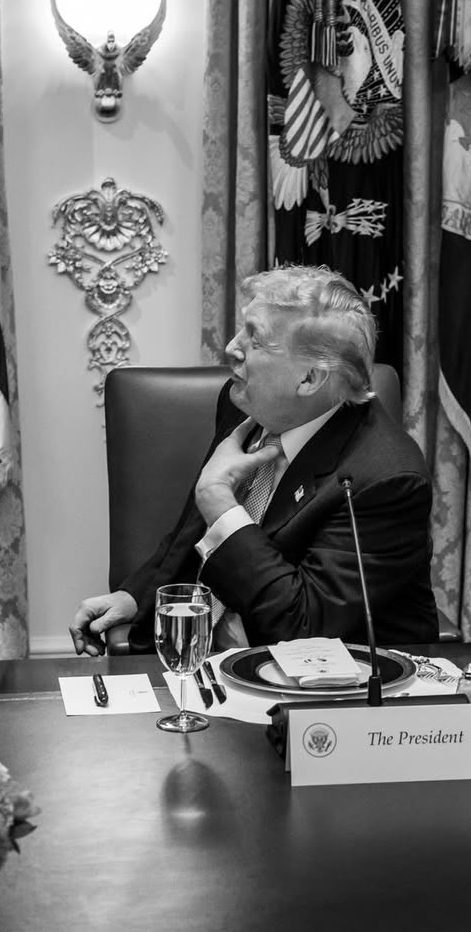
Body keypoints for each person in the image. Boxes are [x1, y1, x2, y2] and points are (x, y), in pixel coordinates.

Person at [70, 264, 439, 655]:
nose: (231, 347)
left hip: (326, 678)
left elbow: (303, 627)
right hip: (210, 654)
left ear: (309, 379)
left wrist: (220, 503)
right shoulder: (246, 404)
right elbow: (191, 532)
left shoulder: (385, 481)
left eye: (255, 339)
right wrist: (134, 595)